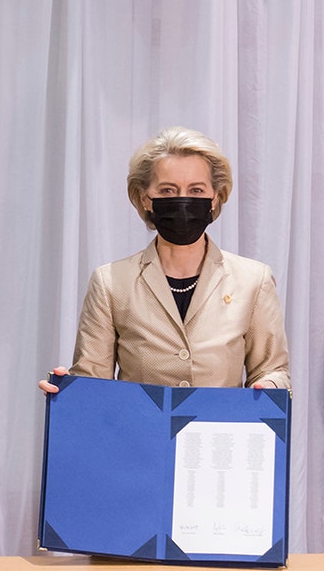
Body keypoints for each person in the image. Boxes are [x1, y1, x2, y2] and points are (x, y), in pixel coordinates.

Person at [39, 126, 290, 394]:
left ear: (215, 198)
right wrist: (67, 393)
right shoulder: (111, 282)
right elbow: (93, 382)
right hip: (137, 434)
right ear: (146, 199)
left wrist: (270, 385)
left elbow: (272, 369)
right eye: (168, 191)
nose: (182, 201)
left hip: (216, 434)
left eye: (196, 190)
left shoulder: (253, 280)